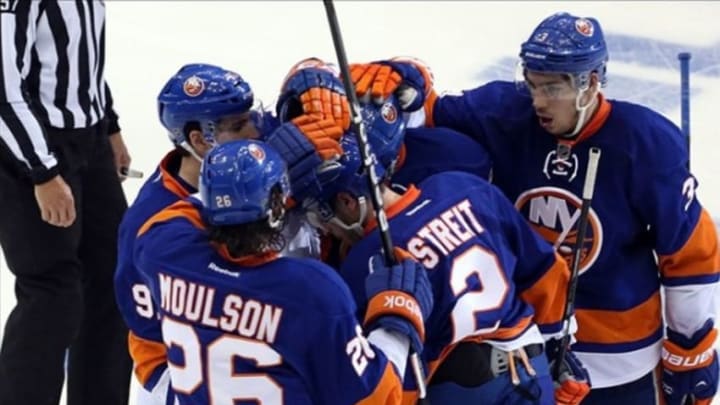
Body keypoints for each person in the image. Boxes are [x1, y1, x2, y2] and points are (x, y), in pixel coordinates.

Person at [349, 11, 720, 405]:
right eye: (532, 85)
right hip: (529, 353)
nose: (538, 101)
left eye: (552, 89)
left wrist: (691, 347)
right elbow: (422, 115)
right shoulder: (506, 112)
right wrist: (406, 82)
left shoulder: (645, 143)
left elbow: (689, 254)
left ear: (590, 83)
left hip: (622, 358)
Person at [290, 131, 589, 404]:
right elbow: (545, 272)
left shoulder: (368, 262)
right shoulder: (464, 185)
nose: (326, 229)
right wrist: (557, 350)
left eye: (321, 215)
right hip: (531, 370)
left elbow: (388, 369)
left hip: (459, 392)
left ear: (347, 201)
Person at [133, 139, 433, 404]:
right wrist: (395, 323)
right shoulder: (311, 290)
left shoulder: (163, 250)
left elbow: (179, 214)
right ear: (278, 207)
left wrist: (238, 192)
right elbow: (376, 398)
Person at [114, 63, 345, 403]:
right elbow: (153, 327)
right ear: (199, 140)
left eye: (249, 117)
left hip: (264, 342)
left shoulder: (249, 160)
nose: (256, 131)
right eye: (239, 126)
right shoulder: (151, 223)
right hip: (185, 376)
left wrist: (315, 85)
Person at [0, 2, 133, 404]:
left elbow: (83, 59)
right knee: (52, 293)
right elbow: (3, 89)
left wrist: (109, 126)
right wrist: (42, 172)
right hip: (28, 148)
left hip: (87, 139)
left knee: (115, 274)